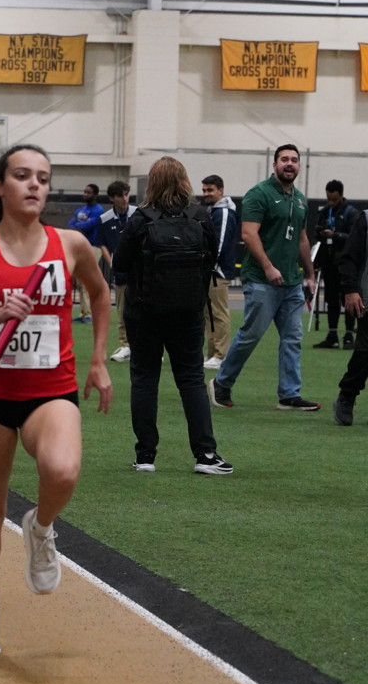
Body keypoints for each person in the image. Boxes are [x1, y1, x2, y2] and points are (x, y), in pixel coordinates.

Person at [0, 144, 112, 656]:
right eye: (22, 175)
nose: (34, 184)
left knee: (62, 471)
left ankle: (40, 527)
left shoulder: (70, 244)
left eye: (43, 177)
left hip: (51, 390)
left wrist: (98, 359)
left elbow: (100, 294)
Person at [114, 157, 231, 476]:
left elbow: (120, 264)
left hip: (144, 312)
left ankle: (145, 455)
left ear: (151, 183)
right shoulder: (200, 216)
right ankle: (205, 453)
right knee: (191, 379)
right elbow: (212, 259)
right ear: (185, 181)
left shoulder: (141, 218)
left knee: (144, 378)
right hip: (188, 311)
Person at [211, 144, 319, 412]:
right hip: (261, 279)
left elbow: (302, 239)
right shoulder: (258, 194)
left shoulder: (300, 200)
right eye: (284, 159)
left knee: (293, 338)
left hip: (292, 282)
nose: (290, 163)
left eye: (294, 160)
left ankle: (289, 394)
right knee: (251, 334)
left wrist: (310, 274)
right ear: (274, 164)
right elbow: (248, 234)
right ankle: (221, 383)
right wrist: (269, 267)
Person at [331, 205, 368, 425]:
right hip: (367, 297)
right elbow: (349, 258)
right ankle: (347, 395)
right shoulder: (365, 219)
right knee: (365, 352)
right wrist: (351, 290)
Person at [199, 174, 239, 369]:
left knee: (218, 313)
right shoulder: (213, 210)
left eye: (210, 190)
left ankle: (221, 355)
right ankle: (212, 353)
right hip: (211, 271)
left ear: (220, 190)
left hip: (217, 271)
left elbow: (219, 243)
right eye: (204, 190)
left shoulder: (223, 212)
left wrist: (210, 265)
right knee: (209, 314)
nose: (206, 193)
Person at [313, 180, 357, 351]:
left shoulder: (351, 213)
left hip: (345, 264)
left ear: (340, 195)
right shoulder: (324, 212)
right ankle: (332, 336)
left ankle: (349, 336)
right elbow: (317, 235)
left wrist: (335, 235)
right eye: (328, 199)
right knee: (331, 300)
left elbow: (354, 237)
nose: (330, 202)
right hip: (329, 262)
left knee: (348, 300)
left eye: (334, 199)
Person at [98, 180, 136, 361]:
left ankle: (146, 346)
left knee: (144, 309)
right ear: (112, 198)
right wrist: (112, 263)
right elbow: (103, 244)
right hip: (120, 272)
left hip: (139, 271)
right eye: (120, 195)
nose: (125, 198)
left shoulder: (138, 213)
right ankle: (126, 345)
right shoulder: (105, 219)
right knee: (122, 310)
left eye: (126, 194)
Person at [67, 182, 104, 321]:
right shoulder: (81, 210)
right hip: (81, 248)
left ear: (95, 195)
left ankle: (89, 314)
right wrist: (79, 225)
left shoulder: (98, 210)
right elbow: (70, 225)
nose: (85, 194)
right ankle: (83, 313)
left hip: (93, 246)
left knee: (87, 281)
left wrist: (79, 225)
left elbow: (88, 226)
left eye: (88, 192)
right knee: (79, 281)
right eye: (84, 192)